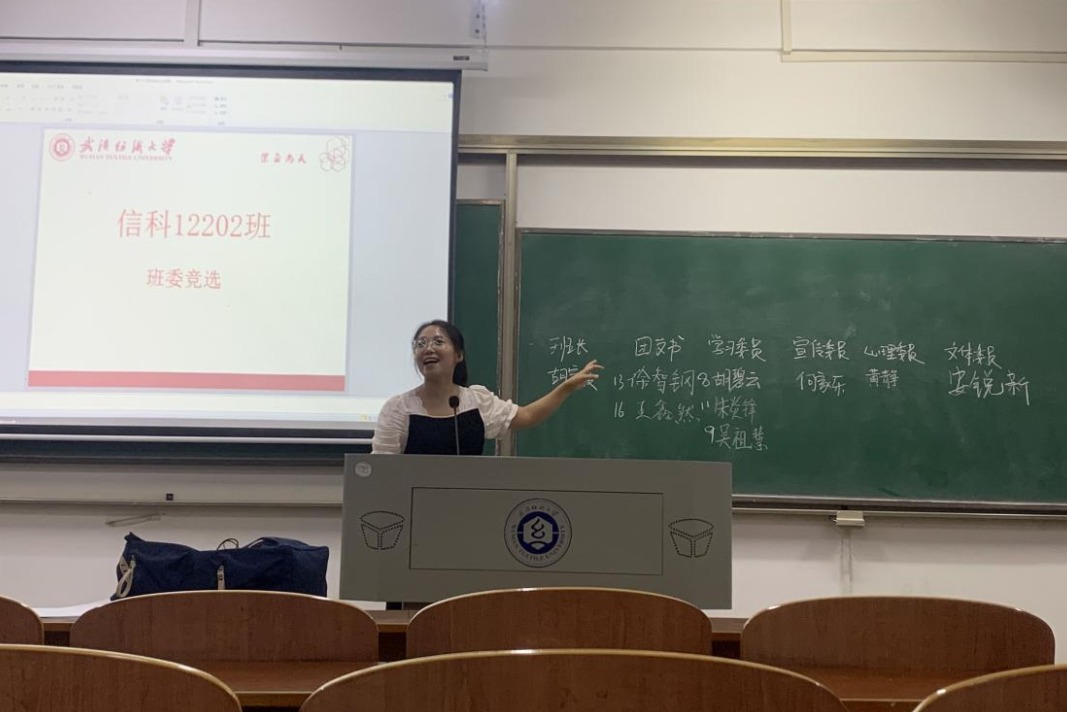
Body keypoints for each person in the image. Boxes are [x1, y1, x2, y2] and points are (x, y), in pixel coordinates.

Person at [372, 319, 601, 454]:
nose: (428, 349)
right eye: (421, 344)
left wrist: (566, 387)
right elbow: (381, 471)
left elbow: (528, 416)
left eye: (438, 342)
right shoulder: (399, 408)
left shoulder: (476, 401)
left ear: (459, 355)